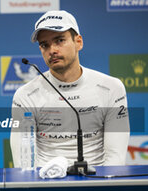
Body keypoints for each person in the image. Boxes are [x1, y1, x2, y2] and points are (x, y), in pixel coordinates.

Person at [10, 10, 130, 168]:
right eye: (44, 45)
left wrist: (101, 186)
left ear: (78, 42)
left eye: (59, 40)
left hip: (97, 181)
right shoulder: (26, 95)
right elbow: (23, 163)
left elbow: (116, 158)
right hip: (45, 183)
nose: (52, 50)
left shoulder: (111, 88)